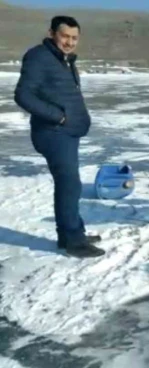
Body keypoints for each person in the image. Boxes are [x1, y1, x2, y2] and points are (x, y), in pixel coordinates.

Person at [14, 16, 105, 258]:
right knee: (69, 185)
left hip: (66, 133)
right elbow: (23, 95)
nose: (69, 42)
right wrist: (59, 117)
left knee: (70, 185)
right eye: (65, 36)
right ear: (52, 33)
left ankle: (72, 233)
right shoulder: (39, 57)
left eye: (74, 38)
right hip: (52, 133)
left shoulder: (63, 60)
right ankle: (72, 241)